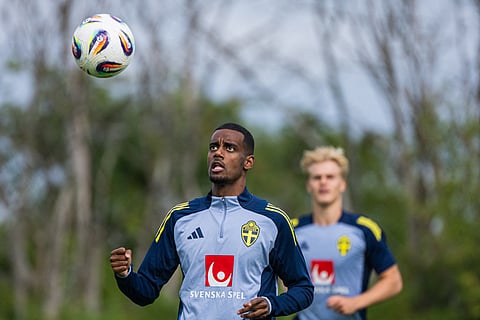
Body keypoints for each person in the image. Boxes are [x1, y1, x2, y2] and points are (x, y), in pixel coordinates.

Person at [110, 122, 314, 319]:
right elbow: (145, 290)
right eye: (213, 147)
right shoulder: (180, 218)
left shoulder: (273, 220)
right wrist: (125, 274)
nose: (218, 152)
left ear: (248, 162)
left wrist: (272, 305)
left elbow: (303, 289)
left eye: (230, 148)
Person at [292, 146, 403, 320]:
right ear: (309, 185)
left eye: (330, 177)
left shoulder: (364, 230)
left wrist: (356, 302)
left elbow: (393, 281)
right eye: (317, 177)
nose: (323, 182)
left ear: (342, 184)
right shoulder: (292, 230)